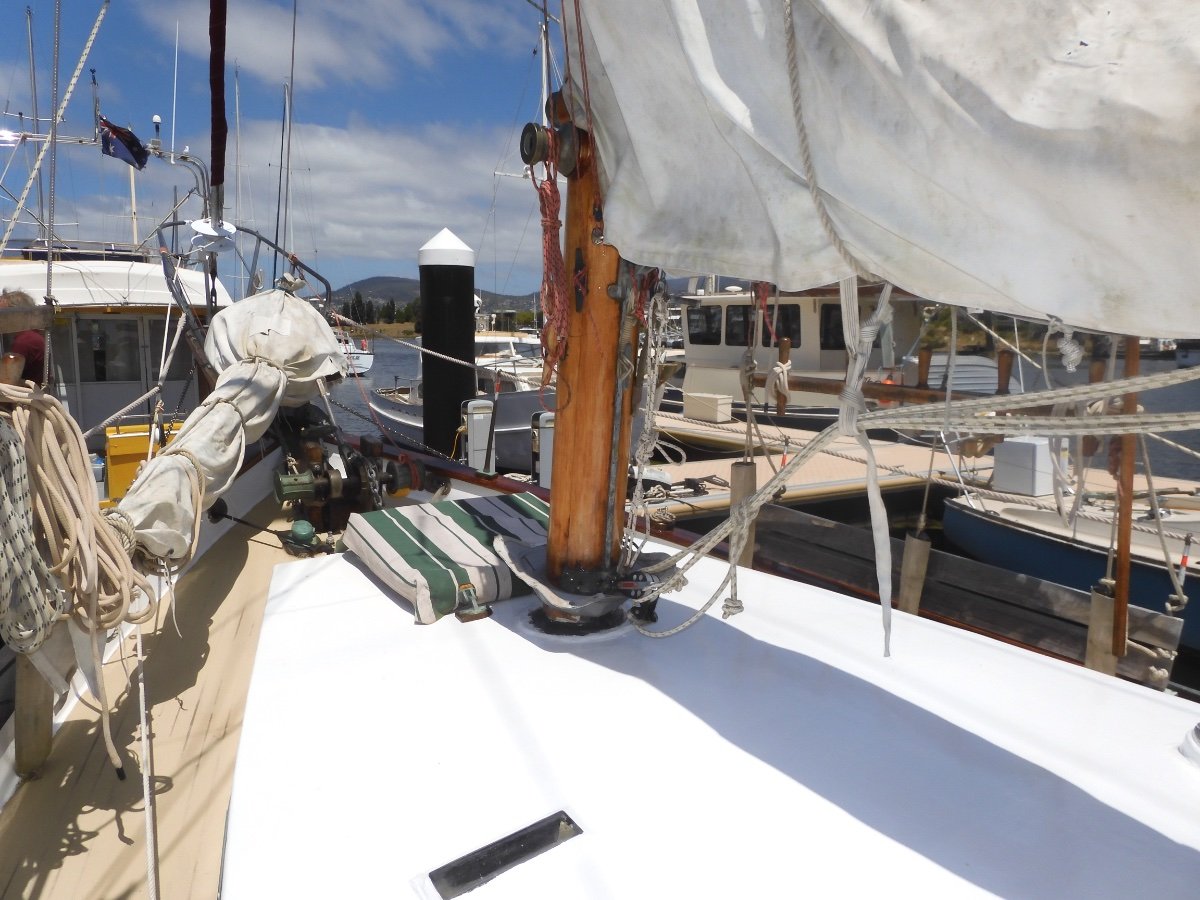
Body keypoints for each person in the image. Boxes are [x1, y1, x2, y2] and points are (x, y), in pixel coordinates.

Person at [0, 288, 46, 383]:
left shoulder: (25, 341)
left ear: (17, 315)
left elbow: (8, 381)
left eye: (2, 314)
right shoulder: (33, 336)